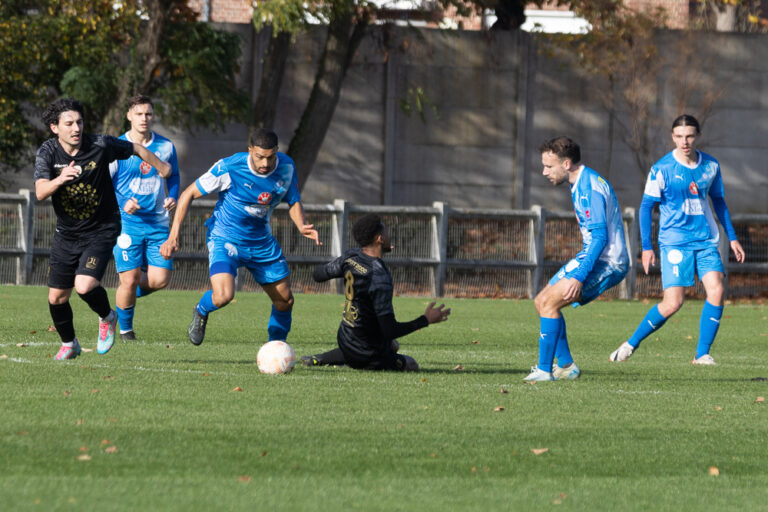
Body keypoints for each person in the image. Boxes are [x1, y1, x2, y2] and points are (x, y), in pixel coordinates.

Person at [34, 97, 171, 360]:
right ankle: (69, 344)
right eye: (69, 123)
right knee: (57, 298)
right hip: (67, 233)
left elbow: (135, 148)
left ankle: (108, 316)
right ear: (55, 128)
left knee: (84, 286)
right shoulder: (48, 152)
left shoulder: (100, 144)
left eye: (80, 122)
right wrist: (60, 179)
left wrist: (162, 166)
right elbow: (40, 191)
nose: (76, 128)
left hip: (102, 228)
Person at [160, 129, 321, 345]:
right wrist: (173, 236)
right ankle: (201, 309)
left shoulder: (286, 167)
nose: (265, 163)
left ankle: (276, 347)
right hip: (225, 238)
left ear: (277, 152)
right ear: (250, 151)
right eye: (260, 157)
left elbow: (293, 200)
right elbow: (188, 193)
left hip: (261, 242)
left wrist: (301, 224)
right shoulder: (229, 167)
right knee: (224, 295)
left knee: (285, 300)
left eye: (271, 157)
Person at [610, 115, 745, 365]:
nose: (685, 141)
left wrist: (733, 237)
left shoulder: (711, 166)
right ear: (672, 137)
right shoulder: (661, 169)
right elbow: (645, 208)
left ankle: (702, 354)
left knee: (717, 289)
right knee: (673, 303)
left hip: (705, 240)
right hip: (674, 242)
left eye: (690, 136)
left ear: (698, 137)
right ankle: (630, 344)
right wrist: (647, 247)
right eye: (680, 136)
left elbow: (719, 202)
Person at [524, 137, 629, 381]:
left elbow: (600, 236)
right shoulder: (581, 181)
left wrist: (579, 277)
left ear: (567, 163)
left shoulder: (588, 188)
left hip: (609, 262)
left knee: (550, 305)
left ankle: (543, 370)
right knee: (541, 301)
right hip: (592, 255)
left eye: (549, 166)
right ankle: (567, 367)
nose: (544, 172)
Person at [301, 214, 450, 371]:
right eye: (386, 232)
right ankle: (357, 360)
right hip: (365, 353)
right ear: (380, 239)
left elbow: (318, 275)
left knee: (393, 345)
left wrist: (343, 266)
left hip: (345, 338)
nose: (389, 235)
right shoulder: (379, 276)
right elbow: (389, 330)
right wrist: (425, 320)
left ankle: (319, 358)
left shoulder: (352, 256)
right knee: (411, 363)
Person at [110, 95, 181, 341]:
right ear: (129, 116)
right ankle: (126, 331)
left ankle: (123, 299)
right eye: (139, 114)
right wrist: (123, 202)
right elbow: (104, 187)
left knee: (159, 280)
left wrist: (173, 196)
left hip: (159, 223)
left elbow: (173, 176)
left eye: (148, 114)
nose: (144, 118)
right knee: (129, 280)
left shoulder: (166, 146)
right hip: (127, 225)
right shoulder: (116, 147)